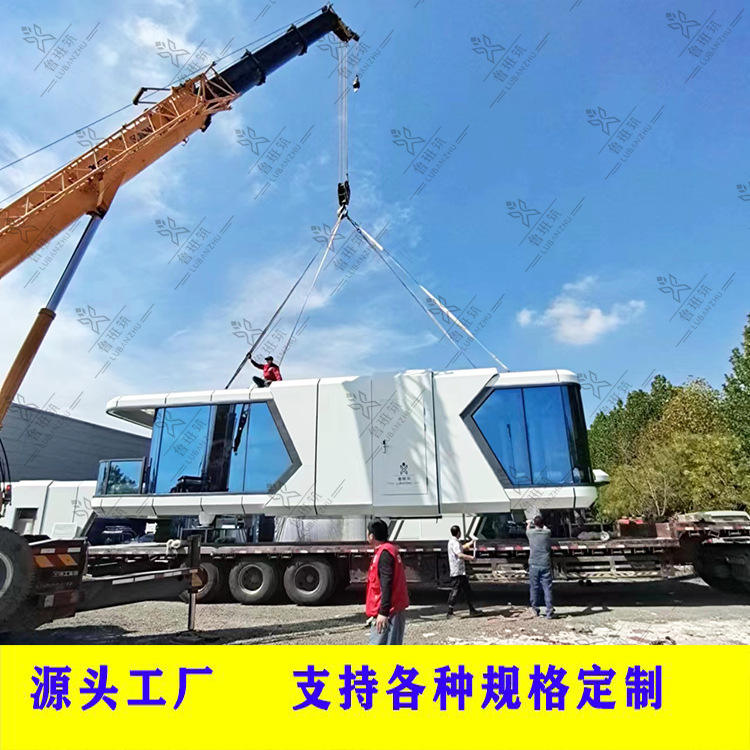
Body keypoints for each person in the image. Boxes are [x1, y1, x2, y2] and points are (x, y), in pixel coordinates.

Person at [365, 518, 409, 645]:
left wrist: (383, 612)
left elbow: (386, 584)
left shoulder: (385, 554)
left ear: (371, 536)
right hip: (390, 609)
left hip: (389, 611)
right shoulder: (387, 550)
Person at [447, 525, 481, 618]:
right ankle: (449, 613)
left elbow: (462, 548)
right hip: (457, 571)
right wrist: (471, 558)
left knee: (467, 591)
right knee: (455, 591)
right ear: (458, 532)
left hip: (460, 571)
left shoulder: (452, 542)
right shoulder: (455, 543)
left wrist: (471, 542)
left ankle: (472, 610)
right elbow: (460, 554)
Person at [526, 515, 554, 618]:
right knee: (547, 588)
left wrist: (529, 523)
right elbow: (546, 528)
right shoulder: (547, 533)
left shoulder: (530, 533)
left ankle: (535, 609)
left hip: (534, 564)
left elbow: (527, 529)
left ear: (534, 524)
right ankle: (549, 611)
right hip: (545, 563)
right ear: (543, 523)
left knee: (534, 587)